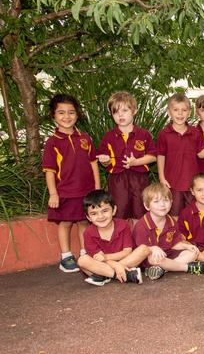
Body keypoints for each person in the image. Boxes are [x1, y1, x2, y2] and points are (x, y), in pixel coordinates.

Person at [42, 94, 101, 273]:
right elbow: (50, 171)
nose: (66, 116)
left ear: (77, 115)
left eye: (71, 112)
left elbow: (93, 163)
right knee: (65, 222)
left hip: (86, 191)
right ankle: (66, 256)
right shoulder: (52, 142)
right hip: (65, 192)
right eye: (61, 113)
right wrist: (53, 193)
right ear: (53, 116)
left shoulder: (85, 138)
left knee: (84, 221)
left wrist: (97, 187)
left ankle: (85, 253)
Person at [132, 183, 204, 280]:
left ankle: (162, 270)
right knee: (155, 259)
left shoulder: (171, 222)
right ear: (147, 206)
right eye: (156, 201)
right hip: (150, 259)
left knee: (192, 253)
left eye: (166, 200)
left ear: (171, 202)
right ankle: (187, 268)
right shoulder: (142, 225)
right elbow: (142, 250)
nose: (162, 205)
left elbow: (174, 243)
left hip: (168, 256)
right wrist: (152, 248)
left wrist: (187, 246)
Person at [98, 92, 156, 221]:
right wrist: (105, 161)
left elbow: (153, 156)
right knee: (119, 214)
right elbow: (105, 162)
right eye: (116, 112)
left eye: (125, 110)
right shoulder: (109, 137)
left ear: (134, 110)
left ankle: (139, 240)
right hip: (117, 180)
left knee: (140, 213)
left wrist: (136, 162)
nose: (120, 115)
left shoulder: (144, 134)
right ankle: (122, 241)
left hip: (139, 179)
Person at [157, 93, 204, 216]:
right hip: (173, 183)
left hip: (192, 184)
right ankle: (175, 235)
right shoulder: (164, 134)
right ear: (169, 112)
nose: (180, 114)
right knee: (174, 215)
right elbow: (160, 156)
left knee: (193, 214)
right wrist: (162, 178)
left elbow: (200, 154)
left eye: (184, 110)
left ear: (189, 112)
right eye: (176, 110)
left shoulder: (195, 133)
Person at [77, 190, 149, 286]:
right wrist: (115, 265)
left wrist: (108, 258)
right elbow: (97, 258)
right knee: (82, 260)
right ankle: (127, 275)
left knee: (144, 249)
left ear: (114, 210)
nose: (100, 216)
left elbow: (127, 251)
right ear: (88, 217)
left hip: (123, 261)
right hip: (102, 265)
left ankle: (105, 276)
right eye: (94, 213)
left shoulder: (123, 225)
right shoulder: (88, 233)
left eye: (105, 211)